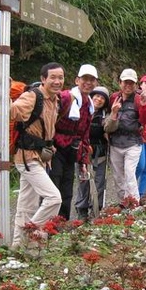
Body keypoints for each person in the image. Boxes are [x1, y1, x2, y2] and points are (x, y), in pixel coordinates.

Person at [10, 62, 64, 250]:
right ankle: (29, 234)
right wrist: (2, 90)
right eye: (53, 77)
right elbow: (12, 112)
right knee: (54, 198)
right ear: (43, 79)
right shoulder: (33, 96)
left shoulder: (55, 100)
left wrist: (49, 145)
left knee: (26, 205)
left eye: (60, 77)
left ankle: (17, 246)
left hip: (39, 157)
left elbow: (46, 128)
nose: (57, 81)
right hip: (27, 158)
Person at [50, 64, 98, 221]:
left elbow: (84, 133)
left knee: (67, 189)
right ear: (77, 80)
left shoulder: (89, 104)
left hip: (71, 150)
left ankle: (61, 224)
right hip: (55, 148)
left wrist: (83, 158)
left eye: (92, 80)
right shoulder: (65, 97)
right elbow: (48, 117)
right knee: (53, 188)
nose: (88, 83)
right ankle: (48, 225)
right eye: (85, 79)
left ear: (96, 83)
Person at [104, 68, 146, 203]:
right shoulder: (113, 97)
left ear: (136, 85)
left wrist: (144, 106)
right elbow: (107, 117)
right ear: (120, 83)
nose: (128, 86)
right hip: (115, 142)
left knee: (130, 174)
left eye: (131, 83)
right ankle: (123, 203)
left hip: (133, 142)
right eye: (125, 82)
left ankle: (134, 203)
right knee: (118, 177)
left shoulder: (138, 99)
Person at [76, 86, 110, 221]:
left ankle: (96, 209)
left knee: (99, 182)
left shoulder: (104, 116)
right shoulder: (81, 111)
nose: (99, 99)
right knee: (83, 181)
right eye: (96, 96)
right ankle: (81, 209)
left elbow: (109, 129)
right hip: (83, 153)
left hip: (100, 153)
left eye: (102, 98)